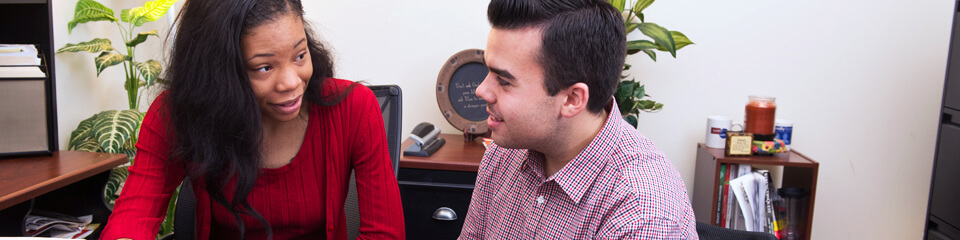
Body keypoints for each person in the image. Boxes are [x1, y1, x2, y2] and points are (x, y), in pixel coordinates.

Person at [100, 0, 405, 239]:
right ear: (218, 72)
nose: (290, 82)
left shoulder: (354, 109)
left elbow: (385, 234)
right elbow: (133, 215)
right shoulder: (177, 114)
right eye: (264, 67)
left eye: (299, 56)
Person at [459, 0, 698, 239]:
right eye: (487, 71)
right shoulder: (505, 151)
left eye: (504, 81)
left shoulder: (642, 216)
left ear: (572, 99)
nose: (481, 90)